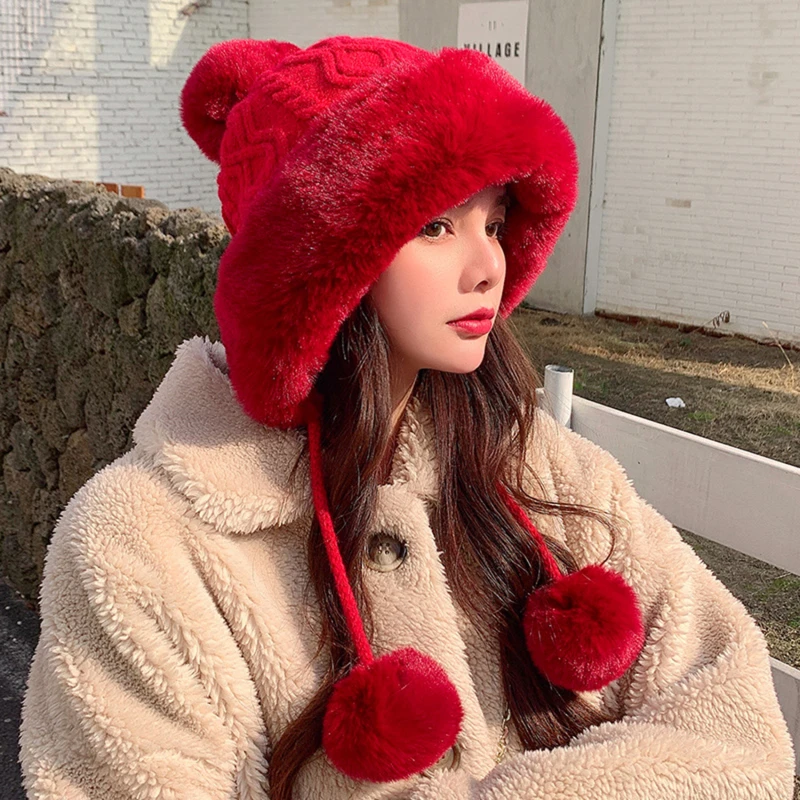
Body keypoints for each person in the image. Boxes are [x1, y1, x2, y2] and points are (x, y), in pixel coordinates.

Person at [18, 34, 795, 800]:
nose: (488, 266)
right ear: (317, 264)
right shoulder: (141, 542)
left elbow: (735, 729)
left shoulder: (541, 467)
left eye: (494, 223)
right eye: (435, 226)